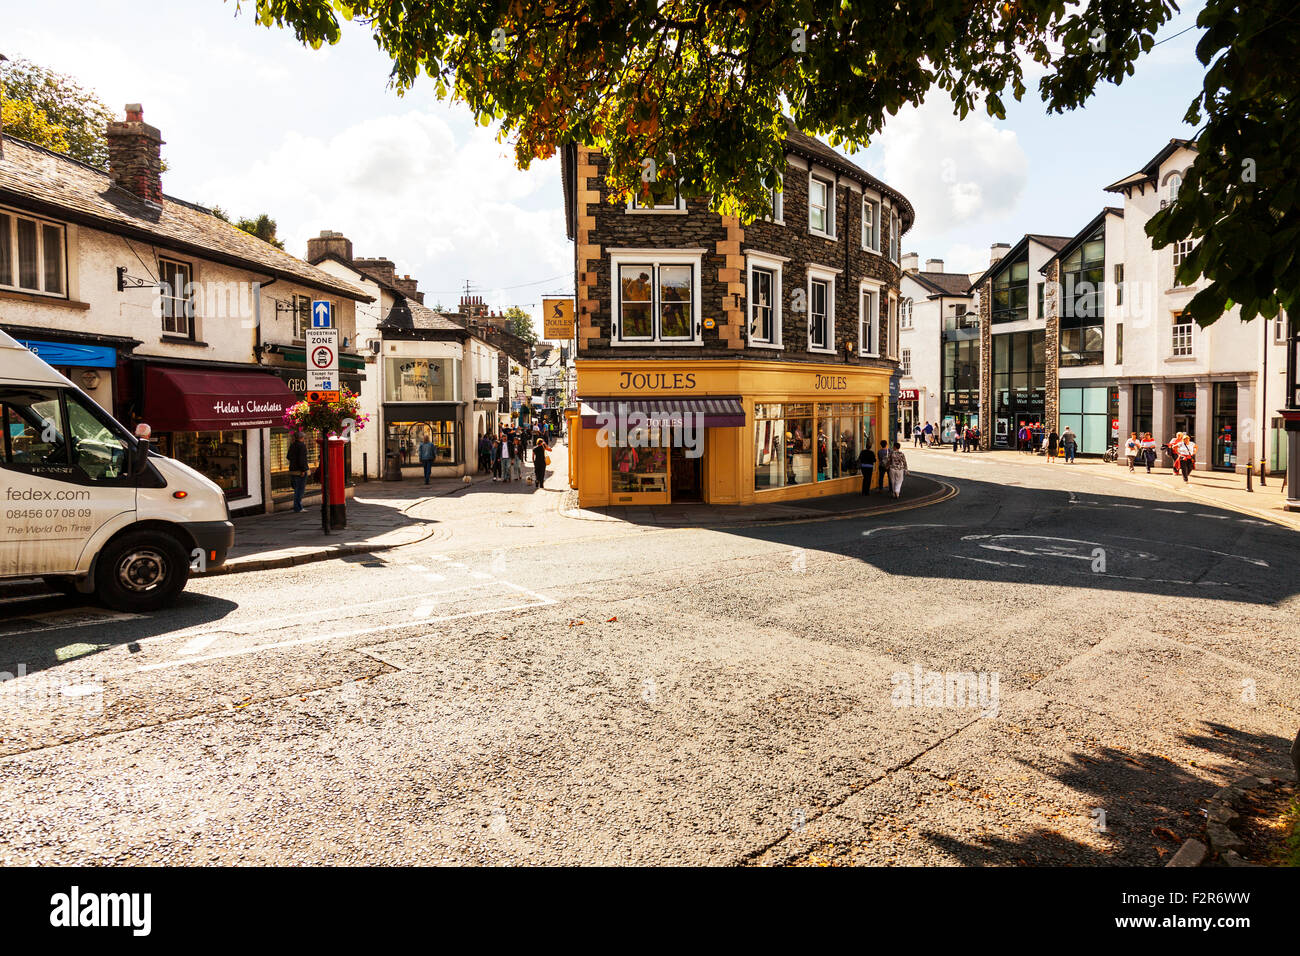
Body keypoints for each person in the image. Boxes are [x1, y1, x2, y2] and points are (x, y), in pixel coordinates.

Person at [287, 433, 309, 512]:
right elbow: (302, 459)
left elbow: (288, 456)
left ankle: (297, 506)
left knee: (296, 489)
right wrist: (303, 470)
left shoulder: (292, 445)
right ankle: (298, 507)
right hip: (300, 471)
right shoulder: (302, 446)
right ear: (302, 438)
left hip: (292, 470)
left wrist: (294, 463)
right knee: (300, 490)